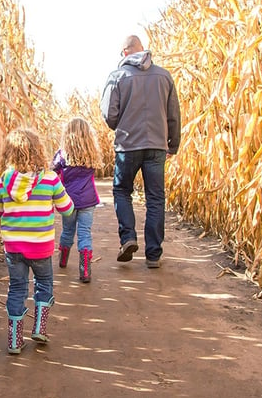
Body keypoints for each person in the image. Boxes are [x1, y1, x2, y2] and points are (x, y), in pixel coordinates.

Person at [0, 128, 74, 355]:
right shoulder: (50, 179)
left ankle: (15, 341)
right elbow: (67, 208)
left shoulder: (3, 181)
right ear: (38, 151)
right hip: (40, 246)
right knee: (44, 284)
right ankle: (39, 327)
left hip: (14, 247)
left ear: (8, 153)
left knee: (17, 288)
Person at [100, 35, 180, 268]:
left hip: (128, 145)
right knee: (155, 198)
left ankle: (128, 238)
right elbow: (173, 113)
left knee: (122, 190)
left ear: (125, 52)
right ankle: (153, 255)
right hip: (156, 145)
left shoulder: (117, 77)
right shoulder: (164, 76)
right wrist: (172, 144)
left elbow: (109, 115)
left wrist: (120, 124)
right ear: (143, 50)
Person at [52, 117, 101, 283]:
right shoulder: (91, 154)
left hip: (68, 201)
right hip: (88, 201)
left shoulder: (61, 155)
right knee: (84, 233)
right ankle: (85, 270)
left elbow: (53, 170)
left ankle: (63, 260)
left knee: (67, 231)